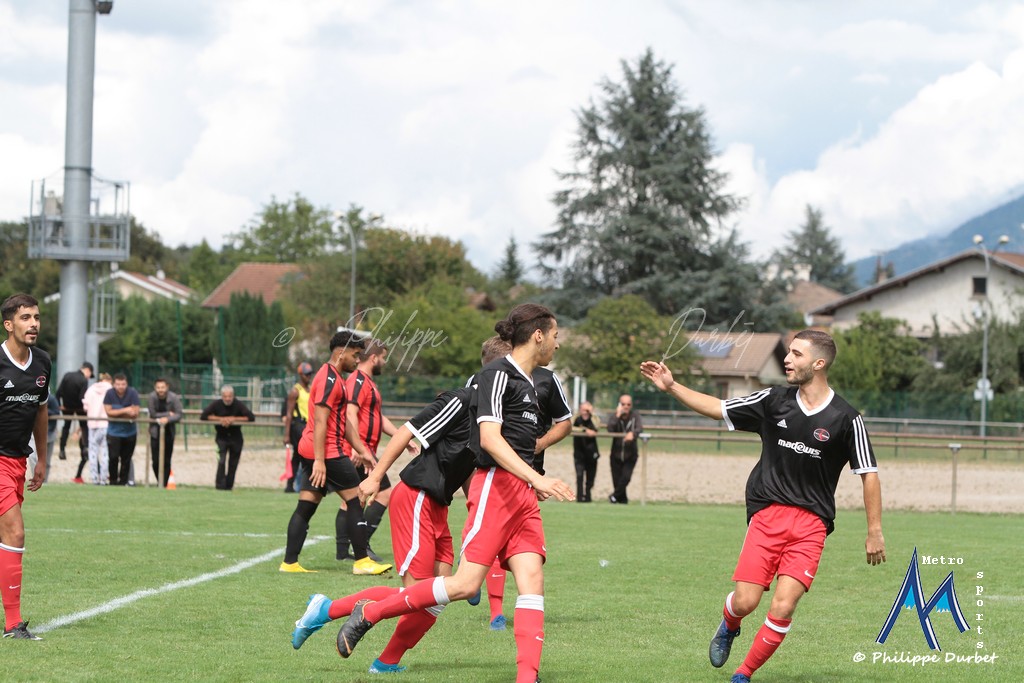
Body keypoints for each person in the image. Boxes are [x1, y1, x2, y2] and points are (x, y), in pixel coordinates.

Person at [334, 303, 575, 683]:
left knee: (532, 582)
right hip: (496, 489)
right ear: (538, 335)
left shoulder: (533, 383)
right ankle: (369, 612)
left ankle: (527, 677)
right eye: (556, 336)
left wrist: (532, 480)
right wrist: (537, 477)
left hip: (523, 495)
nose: (557, 345)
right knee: (465, 585)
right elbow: (489, 440)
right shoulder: (496, 374)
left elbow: (535, 436)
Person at [640, 329, 886, 683]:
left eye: (796, 354)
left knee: (784, 606)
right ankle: (730, 624)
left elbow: (869, 474)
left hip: (812, 526)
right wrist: (672, 386)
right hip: (768, 516)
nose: (787, 359)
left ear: (819, 363)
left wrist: (874, 531)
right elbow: (719, 408)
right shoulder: (773, 400)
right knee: (746, 602)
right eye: (788, 352)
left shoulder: (847, 419)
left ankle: (743, 674)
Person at [289, 335, 512, 674]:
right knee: (418, 592)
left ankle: (378, 655)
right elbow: (407, 431)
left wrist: (476, 513)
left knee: (437, 596)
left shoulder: (491, 415)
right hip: (416, 497)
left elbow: (468, 469)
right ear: (500, 371)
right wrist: (376, 477)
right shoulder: (461, 400)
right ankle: (334, 614)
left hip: (438, 505)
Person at [279, 329, 391, 576]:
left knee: (307, 504)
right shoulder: (329, 379)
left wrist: (362, 451)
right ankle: (362, 561)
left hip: (316, 449)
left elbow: (345, 423)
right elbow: (321, 421)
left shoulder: (336, 377)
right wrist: (320, 460)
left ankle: (289, 562)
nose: (358, 360)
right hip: (327, 451)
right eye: (355, 355)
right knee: (356, 499)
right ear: (341, 352)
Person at [483, 362, 573, 631]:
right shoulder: (491, 376)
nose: (556, 345)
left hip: (529, 477)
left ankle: (526, 634)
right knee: (489, 547)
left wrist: (541, 444)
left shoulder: (547, 379)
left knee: (527, 554)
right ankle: (495, 611)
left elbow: (565, 422)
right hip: (492, 474)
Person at [336, 339, 417, 563]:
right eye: (383, 357)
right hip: (361, 450)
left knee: (353, 498)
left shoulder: (367, 382)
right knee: (380, 494)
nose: (384, 362)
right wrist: (357, 448)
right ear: (373, 358)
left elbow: (376, 417)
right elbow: (350, 413)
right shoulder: (357, 381)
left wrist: (402, 437)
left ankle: (344, 551)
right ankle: (360, 545)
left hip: (365, 449)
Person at [0, 293, 51, 640]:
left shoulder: (43, 362)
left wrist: (42, 458)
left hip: (19, 460)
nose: (33, 324)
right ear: (8, 324)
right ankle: (13, 624)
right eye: (25, 318)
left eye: (36, 317)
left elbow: (41, 410)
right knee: (15, 533)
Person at [200, 385, 256, 491]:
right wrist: (221, 419)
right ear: (222, 396)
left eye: (230, 396)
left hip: (236, 437)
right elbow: (203, 416)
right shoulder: (216, 404)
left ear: (233, 396)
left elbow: (251, 417)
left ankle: (229, 486)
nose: (227, 399)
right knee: (221, 461)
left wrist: (233, 419)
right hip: (221, 437)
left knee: (233, 463)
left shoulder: (238, 404)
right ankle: (220, 486)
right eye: (225, 396)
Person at [282, 361, 314, 493]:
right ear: (300, 375)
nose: (308, 376)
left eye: (310, 374)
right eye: (306, 374)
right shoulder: (295, 391)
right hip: (299, 425)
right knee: (305, 455)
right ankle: (302, 484)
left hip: (309, 425)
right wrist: (286, 434)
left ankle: (291, 485)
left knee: (297, 457)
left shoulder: (311, 389)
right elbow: (289, 414)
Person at [103, 373, 140, 487]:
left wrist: (117, 412)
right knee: (113, 458)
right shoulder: (109, 393)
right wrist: (126, 410)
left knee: (126, 459)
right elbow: (109, 412)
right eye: (118, 384)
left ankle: (123, 482)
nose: (120, 386)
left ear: (126, 384)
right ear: (114, 384)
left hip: (130, 433)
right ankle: (113, 481)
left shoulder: (133, 393)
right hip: (113, 433)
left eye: (123, 384)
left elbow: (135, 413)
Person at [56, 360, 92, 475]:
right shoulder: (84, 380)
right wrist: (86, 407)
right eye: (90, 374)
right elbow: (82, 397)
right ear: (87, 370)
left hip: (67, 407)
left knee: (66, 427)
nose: (89, 377)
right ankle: (85, 447)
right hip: (80, 408)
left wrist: (59, 406)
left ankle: (62, 449)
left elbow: (58, 393)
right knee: (84, 426)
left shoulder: (67, 375)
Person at [606, 394, 642, 504]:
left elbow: (639, 428)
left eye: (628, 404)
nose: (626, 406)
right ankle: (622, 501)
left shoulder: (635, 416)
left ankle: (613, 496)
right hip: (616, 454)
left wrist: (633, 434)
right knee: (617, 481)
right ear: (619, 405)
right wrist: (617, 415)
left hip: (630, 454)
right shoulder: (615, 417)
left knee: (626, 478)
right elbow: (610, 429)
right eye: (623, 404)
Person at [148, 378, 183, 487]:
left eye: (162, 387)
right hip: (155, 433)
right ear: (155, 388)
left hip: (169, 432)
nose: (160, 390)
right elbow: (153, 414)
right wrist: (167, 414)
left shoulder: (174, 397)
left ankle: (163, 484)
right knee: (155, 461)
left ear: (167, 387)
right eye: (158, 387)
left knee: (167, 460)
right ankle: (160, 481)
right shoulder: (152, 397)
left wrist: (168, 420)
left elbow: (179, 414)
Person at [82, 372, 113, 485]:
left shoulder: (91, 389)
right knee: (104, 452)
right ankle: (103, 478)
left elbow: (85, 407)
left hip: (92, 423)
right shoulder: (110, 389)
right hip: (105, 423)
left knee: (93, 452)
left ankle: (94, 478)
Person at [27, 393, 60, 484]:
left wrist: (44, 410)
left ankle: (44, 480)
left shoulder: (51, 399)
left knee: (46, 459)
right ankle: (35, 476)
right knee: (32, 457)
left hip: (50, 432)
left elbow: (56, 411)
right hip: (35, 433)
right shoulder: (33, 396)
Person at [572, 401, 600, 502]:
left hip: (592, 453)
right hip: (579, 453)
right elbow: (569, 426)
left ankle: (588, 497)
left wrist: (592, 413)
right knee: (579, 476)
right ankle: (579, 498)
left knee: (590, 478)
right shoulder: (577, 419)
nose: (585, 412)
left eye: (587, 410)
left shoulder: (593, 419)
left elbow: (597, 426)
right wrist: (584, 430)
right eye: (583, 410)